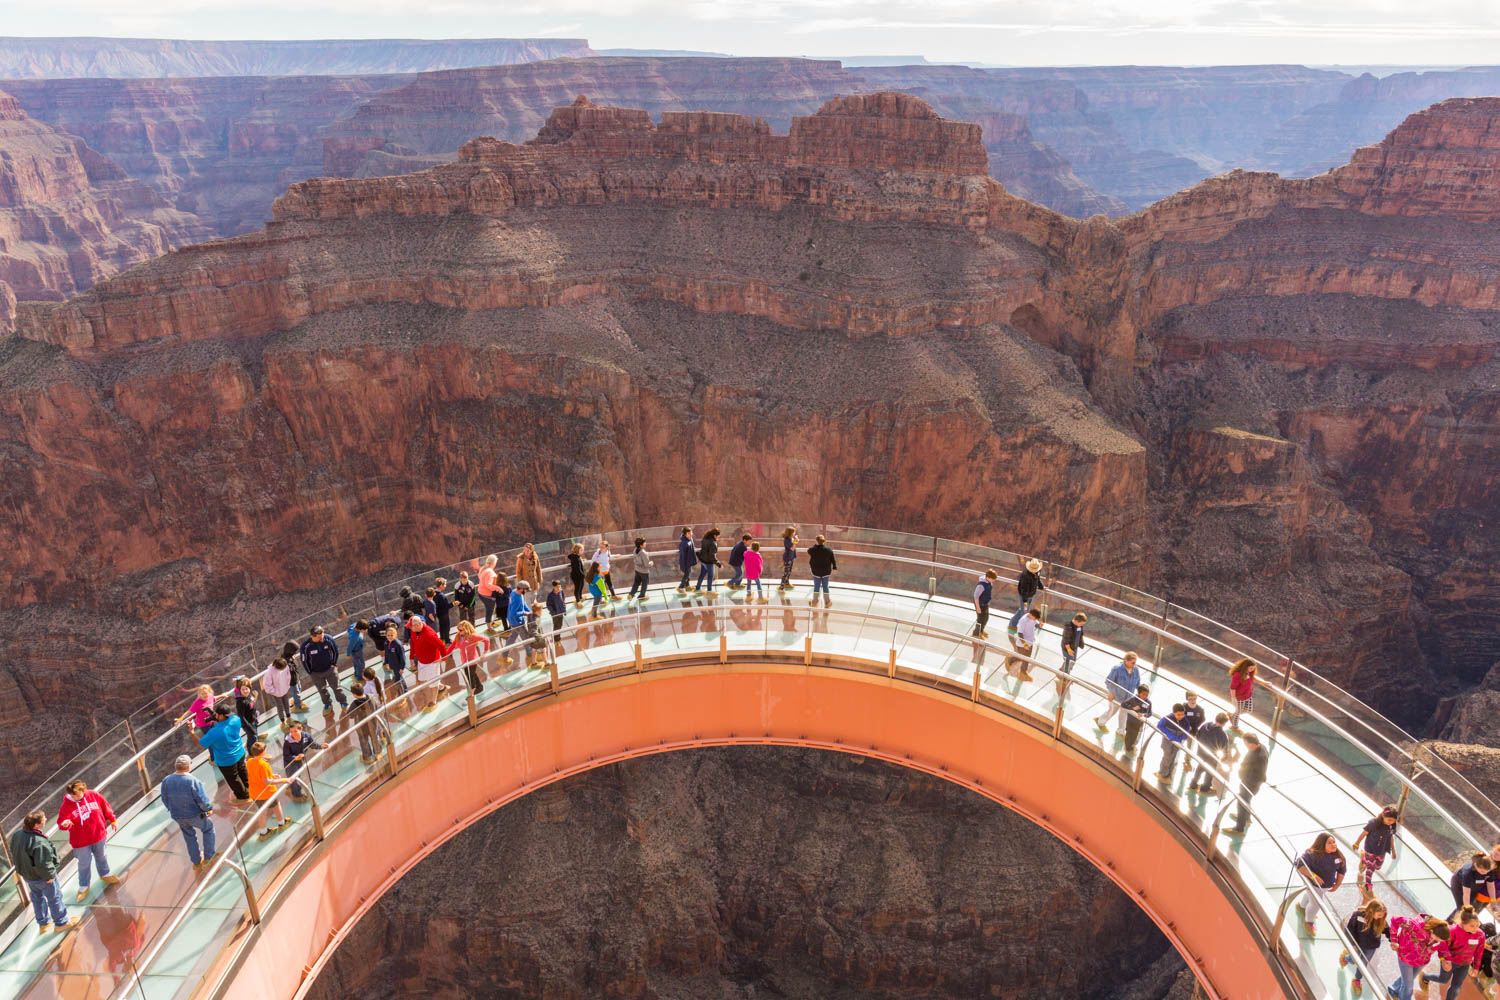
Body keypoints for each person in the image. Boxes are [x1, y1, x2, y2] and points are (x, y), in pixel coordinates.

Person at [9, 811, 77, 933]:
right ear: (36, 825)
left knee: (37, 897)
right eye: (43, 818)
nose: (46, 819)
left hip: (28, 876)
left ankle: (43, 923)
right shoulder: (39, 842)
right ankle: (61, 922)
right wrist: (50, 875)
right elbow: (43, 863)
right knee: (54, 898)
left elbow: (14, 851)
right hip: (43, 878)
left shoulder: (17, 835)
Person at [58, 780, 119, 901]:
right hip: (81, 842)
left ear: (83, 790)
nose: (75, 797)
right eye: (73, 795)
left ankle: (105, 874)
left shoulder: (93, 795)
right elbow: (61, 822)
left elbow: (105, 806)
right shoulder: (66, 806)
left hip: (98, 835)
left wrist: (112, 820)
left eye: (78, 794)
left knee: (102, 856)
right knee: (84, 863)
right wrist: (65, 824)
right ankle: (84, 885)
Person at [159, 756, 217, 871]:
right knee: (208, 828)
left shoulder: (166, 780)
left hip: (178, 816)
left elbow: (164, 799)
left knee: (189, 836)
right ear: (188, 766)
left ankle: (196, 862)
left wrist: (172, 809)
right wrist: (208, 810)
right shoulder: (193, 781)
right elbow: (202, 799)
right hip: (195, 814)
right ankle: (209, 856)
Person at [1425, 907, 1487, 1000]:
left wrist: (1476, 968)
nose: (1476, 929)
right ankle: (1425, 976)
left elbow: (1479, 952)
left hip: (1465, 964)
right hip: (1450, 961)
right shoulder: (1452, 931)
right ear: (1463, 923)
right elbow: (1442, 947)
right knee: (1443, 980)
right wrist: (1444, 961)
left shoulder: (1480, 935)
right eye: (1472, 926)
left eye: (1477, 925)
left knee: (1456, 987)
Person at [1388, 914, 1451, 1000]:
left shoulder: (1439, 939)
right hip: (1406, 957)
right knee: (1408, 986)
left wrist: (1446, 960)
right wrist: (1394, 941)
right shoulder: (1414, 926)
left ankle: (1394, 989)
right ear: (1432, 931)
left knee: (1408, 980)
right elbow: (1395, 920)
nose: (1439, 941)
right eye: (1438, 939)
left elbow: (1443, 948)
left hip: (1422, 961)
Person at [1294, 832, 1346, 933]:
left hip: (1325, 886)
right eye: (1329, 843)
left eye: (1334, 842)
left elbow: (1342, 870)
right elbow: (1299, 864)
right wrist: (1314, 876)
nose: (1334, 845)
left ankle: (1302, 907)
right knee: (1316, 904)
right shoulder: (1312, 855)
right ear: (1322, 844)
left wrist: (1337, 884)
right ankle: (1308, 922)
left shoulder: (1338, 856)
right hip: (1313, 885)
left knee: (1311, 896)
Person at [199, 704, 250, 800]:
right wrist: (217, 717)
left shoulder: (214, 732)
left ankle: (243, 797)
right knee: (242, 771)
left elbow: (201, 744)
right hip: (240, 752)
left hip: (227, 760)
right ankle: (250, 789)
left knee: (233, 779)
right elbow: (225, 723)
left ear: (220, 715)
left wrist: (192, 733)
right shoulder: (236, 719)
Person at [1340, 898, 1389, 997]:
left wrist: (1394, 941)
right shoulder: (1358, 915)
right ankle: (1346, 957)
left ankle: (1357, 980)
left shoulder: (1381, 921)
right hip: (1357, 944)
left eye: (1382, 915)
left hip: (1371, 947)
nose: (1381, 917)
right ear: (1371, 910)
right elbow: (1350, 929)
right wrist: (1352, 944)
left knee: (1363, 963)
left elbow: (1389, 932)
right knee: (1354, 960)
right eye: (1379, 914)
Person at [1352, 805, 1399, 900]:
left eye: (1393, 820)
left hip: (1382, 850)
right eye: (1389, 820)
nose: (1391, 822)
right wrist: (1357, 843)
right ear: (1383, 816)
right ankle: (1368, 886)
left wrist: (1393, 850)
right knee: (1371, 869)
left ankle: (1363, 859)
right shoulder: (1373, 823)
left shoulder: (1391, 826)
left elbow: (1391, 838)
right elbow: (1364, 833)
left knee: (1377, 867)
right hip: (1370, 849)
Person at [245, 742, 292, 838]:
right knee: (276, 806)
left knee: (262, 812)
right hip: (266, 793)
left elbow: (257, 775)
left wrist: (271, 775)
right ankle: (282, 823)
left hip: (255, 793)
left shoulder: (249, 762)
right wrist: (283, 780)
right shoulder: (263, 764)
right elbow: (267, 781)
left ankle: (263, 832)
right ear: (262, 752)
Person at [408, 615, 454, 711]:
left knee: (433, 683)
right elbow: (413, 643)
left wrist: (444, 658)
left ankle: (433, 702)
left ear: (417, 625)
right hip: (422, 661)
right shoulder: (414, 632)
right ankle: (442, 687)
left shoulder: (429, 634)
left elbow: (441, 645)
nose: (410, 628)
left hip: (432, 662)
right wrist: (411, 657)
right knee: (424, 680)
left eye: (411, 626)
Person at [1225, 733, 1267, 835]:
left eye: (1246, 744)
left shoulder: (1260, 757)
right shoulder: (1260, 747)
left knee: (1242, 803)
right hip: (1248, 782)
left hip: (1250, 784)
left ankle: (1239, 828)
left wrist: (1244, 777)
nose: (1246, 746)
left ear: (1252, 744)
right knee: (1246, 801)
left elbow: (1258, 774)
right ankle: (1246, 817)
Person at [299, 626, 346, 711]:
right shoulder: (305, 646)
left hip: (330, 669)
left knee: (337, 688)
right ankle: (328, 704)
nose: (322, 637)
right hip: (316, 673)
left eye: (322, 634)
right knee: (322, 690)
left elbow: (336, 651)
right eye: (319, 637)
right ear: (312, 636)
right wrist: (310, 672)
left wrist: (334, 664)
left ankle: (343, 702)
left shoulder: (328, 639)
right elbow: (304, 660)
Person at [1096, 652, 1142, 733]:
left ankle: (1121, 730)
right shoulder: (1117, 669)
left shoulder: (1136, 670)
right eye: (1133, 663)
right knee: (1112, 711)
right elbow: (1108, 682)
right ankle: (1100, 721)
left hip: (1128, 698)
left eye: (1135, 663)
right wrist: (1111, 693)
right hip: (1116, 696)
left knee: (1124, 713)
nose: (1134, 665)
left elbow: (1138, 682)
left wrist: (1140, 695)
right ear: (1126, 661)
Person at [281, 720, 325, 801]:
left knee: (297, 775)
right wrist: (295, 758)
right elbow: (286, 755)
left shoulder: (306, 736)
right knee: (294, 778)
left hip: (299, 760)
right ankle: (296, 795)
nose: (293, 734)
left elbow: (313, 744)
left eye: (295, 731)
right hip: (290, 763)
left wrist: (321, 746)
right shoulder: (288, 741)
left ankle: (290, 787)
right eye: (291, 732)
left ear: (301, 729)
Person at [1190, 712, 1231, 793]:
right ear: (1224, 723)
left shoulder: (1206, 725)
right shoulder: (1222, 734)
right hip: (1212, 757)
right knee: (1209, 772)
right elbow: (1224, 749)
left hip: (1201, 753)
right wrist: (1223, 758)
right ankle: (1205, 788)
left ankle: (1193, 785)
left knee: (1199, 768)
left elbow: (1198, 735)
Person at [1450, 853, 1499, 919]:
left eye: (1487, 871)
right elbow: (1466, 893)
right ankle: (1450, 923)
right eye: (1482, 871)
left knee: (1470, 905)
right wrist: (1467, 910)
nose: (1485, 873)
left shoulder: (1489, 870)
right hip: (1459, 886)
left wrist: (1493, 901)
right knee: (1462, 908)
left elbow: (1490, 886)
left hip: (1474, 887)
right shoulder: (1468, 873)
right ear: (1476, 865)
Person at [344, 681, 379, 763]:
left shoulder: (354, 703)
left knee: (364, 741)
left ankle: (367, 757)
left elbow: (351, 715)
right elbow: (376, 706)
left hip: (362, 726)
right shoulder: (371, 696)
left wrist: (348, 709)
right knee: (375, 737)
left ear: (354, 694)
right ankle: (378, 753)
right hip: (373, 722)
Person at [1154, 704, 1190, 782]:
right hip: (1168, 742)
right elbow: (1159, 726)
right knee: (1167, 757)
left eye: (1182, 714)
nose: (1181, 716)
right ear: (1173, 713)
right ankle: (1163, 774)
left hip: (1177, 742)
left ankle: (1169, 773)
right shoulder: (1167, 719)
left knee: (1173, 757)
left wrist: (1181, 738)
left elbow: (1186, 732)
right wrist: (1170, 734)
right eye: (1178, 715)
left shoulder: (1185, 721)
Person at [453, 620, 490, 693]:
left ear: (466, 629)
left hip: (472, 660)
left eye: (460, 630)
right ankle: (479, 687)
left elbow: (486, 640)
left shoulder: (472, 636)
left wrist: (485, 652)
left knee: (470, 676)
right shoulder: (460, 636)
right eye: (458, 629)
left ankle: (472, 692)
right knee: (471, 674)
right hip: (465, 660)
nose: (459, 631)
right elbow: (455, 645)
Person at [806, 534, 836, 608]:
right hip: (826, 571)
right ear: (823, 541)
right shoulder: (829, 550)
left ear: (816, 541)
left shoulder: (813, 550)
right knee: (825, 586)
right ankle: (827, 602)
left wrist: (816, 545)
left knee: (817, 585)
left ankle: (815, 602)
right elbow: (833, 559)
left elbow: (809, 550)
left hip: (816, 571)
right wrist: (834, 567)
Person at [1121, 684, 1152, 756]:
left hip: (1138, 723)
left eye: (1146, 695)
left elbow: (1150, 713)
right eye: (1143, 694)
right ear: (1139, 693)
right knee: (1128, 734)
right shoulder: (1133, 699)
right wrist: (1132, 708)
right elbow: (1123, 704)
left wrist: (1144, 715)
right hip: (1130, 721)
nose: (1145, 696)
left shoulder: (1148, 703)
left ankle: (1131, 746)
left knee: (1135, 735)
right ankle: (1127, 747)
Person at [1011, 607, 1041, 680]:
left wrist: (1039, 625)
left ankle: (1023, 673)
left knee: (1026, 659)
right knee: (1019, 657)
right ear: (1031, 615)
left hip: (1030, 642)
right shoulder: (1023, 621)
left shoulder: (1032, 618)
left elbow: (1035, 624)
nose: (1035, 620)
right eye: (1035, 618)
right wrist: (1025, 645)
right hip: (1022, 644)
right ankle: (1009, 660)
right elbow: (1020, 633)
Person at [1228, 657, 1256, 731]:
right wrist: (1233, 699)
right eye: (1251, 668)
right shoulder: (1237, 675)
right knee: (1238, 712)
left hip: (1248, 695)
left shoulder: (1249, 673)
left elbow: (1253, 678)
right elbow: (1232, 688)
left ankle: (1232, 715)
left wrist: (1264, 683)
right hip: (1239, 697)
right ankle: (1235, 726)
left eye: (1253, 668)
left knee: (1248, 710)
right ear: (1245, 667)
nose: (1252, 670)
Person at [383, 623, 409, 693]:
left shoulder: (398, 644)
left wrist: (402, 667)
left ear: (395, 635)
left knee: (397, 680)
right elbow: (386, 654)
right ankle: (405, 690)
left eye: (392, 635)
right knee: (399, 677)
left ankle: (402, 692)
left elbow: (402, 657)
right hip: (392, 664)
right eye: (388, 635)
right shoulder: (386, 643)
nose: (390, 637)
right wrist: (387, 663)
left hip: (398, 665)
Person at [972, 568, 998, 639]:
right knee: (980, 619)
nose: (994, 581)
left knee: (986, 618)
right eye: (993, 579)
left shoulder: (989, 582)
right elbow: (976, 596)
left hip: (985, 603)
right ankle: (976, 634)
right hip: (980, 604)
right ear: (988, 577)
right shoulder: (981, 585)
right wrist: (978, 608)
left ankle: (981, 631)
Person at [1060, 612, 1087, 677]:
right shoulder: (1068, 627)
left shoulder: (1080, 626)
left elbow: (1080, 635)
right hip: (1067, 648)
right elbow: (1066, 640)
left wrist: (1081, 643)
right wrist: (1069, 650)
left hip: (1074, 647)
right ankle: (1065, 676)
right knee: (1068, 662)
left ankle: (1061, 670)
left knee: (1073, 661)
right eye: (1081, 624)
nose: (1082, 625)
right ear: (1077, 621)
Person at [695, 528, 722, 594]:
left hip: (703, 560)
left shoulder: (705, 538)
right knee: (710, 576)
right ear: (715, 535)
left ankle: (697, 588)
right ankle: (709, 591)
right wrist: (719, 564)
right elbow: (712, 556)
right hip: (709, 562)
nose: (718, 537)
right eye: (718, 536)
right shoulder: (713, 543)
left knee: (702, 575)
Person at [478, 554, 501, 625]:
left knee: (490, 609)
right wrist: (498, 588)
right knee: (490, 610)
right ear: (493, 563)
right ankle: (489, 626)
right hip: (486, 595)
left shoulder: (484, 569)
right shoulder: (490, 572)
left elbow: (481, 579)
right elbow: (488, 585)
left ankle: (490, 622)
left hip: (481, 593)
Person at [627, 537, 652, 601]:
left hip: (637, 570)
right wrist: (651, 563)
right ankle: (642, 596)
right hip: (644, 572)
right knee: (644, 584)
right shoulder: (643, 553)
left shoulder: (635, 550)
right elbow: (647, 564)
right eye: (644, 543)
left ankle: (631, 594)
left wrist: (646, 554)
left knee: (636, 583)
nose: (645, 543)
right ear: (641, 545)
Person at [432, 580, 453, 644]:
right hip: (444, 613)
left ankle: (443, 637)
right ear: (441, 585)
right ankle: (447, 640)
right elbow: (446, 606)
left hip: (439, 613)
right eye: (445, 585)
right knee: (446, 626)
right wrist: (453, 604)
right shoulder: (441, 595)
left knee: (442, 626)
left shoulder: (434, 594)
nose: (445, 586)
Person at [676, 528, 696, 592]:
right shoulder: (684, 543)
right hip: (686, 562)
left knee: (689, 573)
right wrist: (683, 565)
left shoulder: (690, 539)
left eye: (691, 532)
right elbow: (682, 555)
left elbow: (692, 547)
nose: (691, 534)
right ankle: (681, 586)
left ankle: (687, 585)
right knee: (686, 574)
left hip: (690, 560)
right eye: (690, 533)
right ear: (686, 534)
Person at [780, 526, 799, 591]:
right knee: (786, 573)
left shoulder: (791, 538)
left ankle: (787, 583)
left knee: (789, 571)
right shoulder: (787, 540)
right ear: (790, 533)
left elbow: (793, 545)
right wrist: (795, 541)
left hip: (791, 557)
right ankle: (781, 587)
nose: (794, 534)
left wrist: (795, 541)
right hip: (788, 558)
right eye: (793, 532)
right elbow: (792, 548)